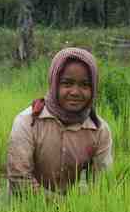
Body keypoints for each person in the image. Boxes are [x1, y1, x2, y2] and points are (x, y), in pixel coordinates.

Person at [7, 48, 113, 196]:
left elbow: (102, 185)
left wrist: (83, 211)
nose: (75, 92)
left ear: (93, 88)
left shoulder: (99, 130)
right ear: (54, 83)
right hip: (23, 210)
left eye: (84, 85)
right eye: (67, 83)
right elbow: (19, 180)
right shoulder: (27, 122)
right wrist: (63, 207)